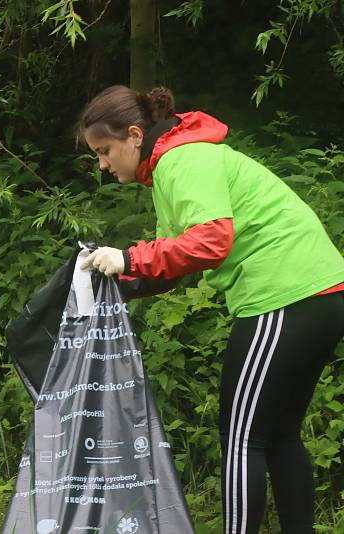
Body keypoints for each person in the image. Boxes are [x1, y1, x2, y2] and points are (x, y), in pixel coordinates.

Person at [77, 85, 344, 534]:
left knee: (242, 440)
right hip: (322, 293)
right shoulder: (175, 162)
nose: (103, 164)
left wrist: (128, 257)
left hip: (284, 293)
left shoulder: (184, 160)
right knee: (279, 434)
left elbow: (211, 242)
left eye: (104, 151)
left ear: (135, 135)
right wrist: (111, 283)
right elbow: (171, 264)